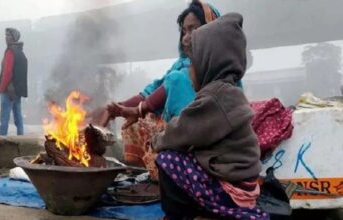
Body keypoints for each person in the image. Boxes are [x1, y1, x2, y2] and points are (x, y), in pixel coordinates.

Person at [151, 13, 269, 219]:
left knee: (168, 159)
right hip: (243, 183)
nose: (189, 73)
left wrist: (157, 140)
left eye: (193, 65)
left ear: (209, 64)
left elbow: (182, 131)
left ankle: (178, 215)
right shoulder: (229, 91)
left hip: (230, 190)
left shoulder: (214, 96)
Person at [104, 0, 223, 174]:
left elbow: (170, 85)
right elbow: (152, 91)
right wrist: (116, 109)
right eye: (184, 31)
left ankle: (183, 166)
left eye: (193, 29)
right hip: (182, 132)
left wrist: (139, 110)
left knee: (173, 84)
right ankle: (148, 170)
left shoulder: (220, 64)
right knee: (134, 126)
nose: (186, 37)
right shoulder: (181, 64)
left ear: (211, 30)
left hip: (208, 139)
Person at [0, 28, 28, 136]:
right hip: (17, 91)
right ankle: (21, 137)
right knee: (18, 116)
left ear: (14, 38)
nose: (6, 37)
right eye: (5, 35)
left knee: (4, 117)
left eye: (9, 35)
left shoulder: (10, 52)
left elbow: (7, 72)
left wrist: (2, 88)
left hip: (8, 90)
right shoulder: (21, 52)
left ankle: (1, 138)